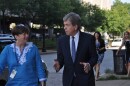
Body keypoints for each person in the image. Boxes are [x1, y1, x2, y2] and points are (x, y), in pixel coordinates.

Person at [53, 12, 98, 86]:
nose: (65, 27)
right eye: (64, 25)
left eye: (67, 25)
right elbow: (61, 59)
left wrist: (89, 64)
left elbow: (94, 57)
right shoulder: (61, 41)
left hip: (85, 80)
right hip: (68, 81)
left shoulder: (89, 39)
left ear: (75, 26)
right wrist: (58, 65)